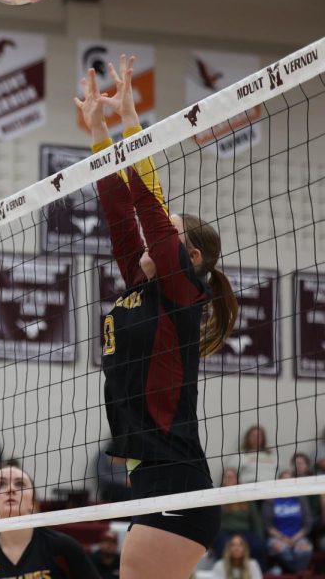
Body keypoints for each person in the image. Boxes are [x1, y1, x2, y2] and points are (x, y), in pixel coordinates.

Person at [78, 54, 238, 579]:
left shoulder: (180, 289)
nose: (150, 239)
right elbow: (121, 212)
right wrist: (101, 132)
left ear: (187, 258)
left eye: (165, 235)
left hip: (177, 482)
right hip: (151, 478)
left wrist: (132, 123)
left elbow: (146, 204)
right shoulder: (143, 283)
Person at [0, 465, 98, 579]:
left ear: (32, 502)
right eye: (1, 484)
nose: (11, 489)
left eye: (20, 484)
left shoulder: (62, 547)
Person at [262, 471, 313, 574]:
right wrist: (283, 539)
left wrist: (295, 538)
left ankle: (290, 572)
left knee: (305, 549)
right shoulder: (270, 501)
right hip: (277, 537)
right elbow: (268, 526)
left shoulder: (300, 499)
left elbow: (308, 522)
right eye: (283, 480)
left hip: (298, 536)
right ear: (279, 482)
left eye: (289, 480)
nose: (286, 482)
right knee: (280, 548)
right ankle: (298, 573)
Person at [213, 467, 266, 567]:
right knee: (222, 545)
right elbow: (214, 520)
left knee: (259, 546)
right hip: (225, 531)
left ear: (237, 479)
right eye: (226, 477)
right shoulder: (218, 497)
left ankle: (259, 572)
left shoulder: (246, 497)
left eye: (231, 477)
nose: (229, 479)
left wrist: (260, 537)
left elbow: (255, 520)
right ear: (223, 480)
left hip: (244, 531)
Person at [96, 439, 130, 504]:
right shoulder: (103, 454)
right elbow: (101, 474)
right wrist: (122, 480)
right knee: (127, 493)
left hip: (126, 487)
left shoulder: (127, 453)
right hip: (111, 488)